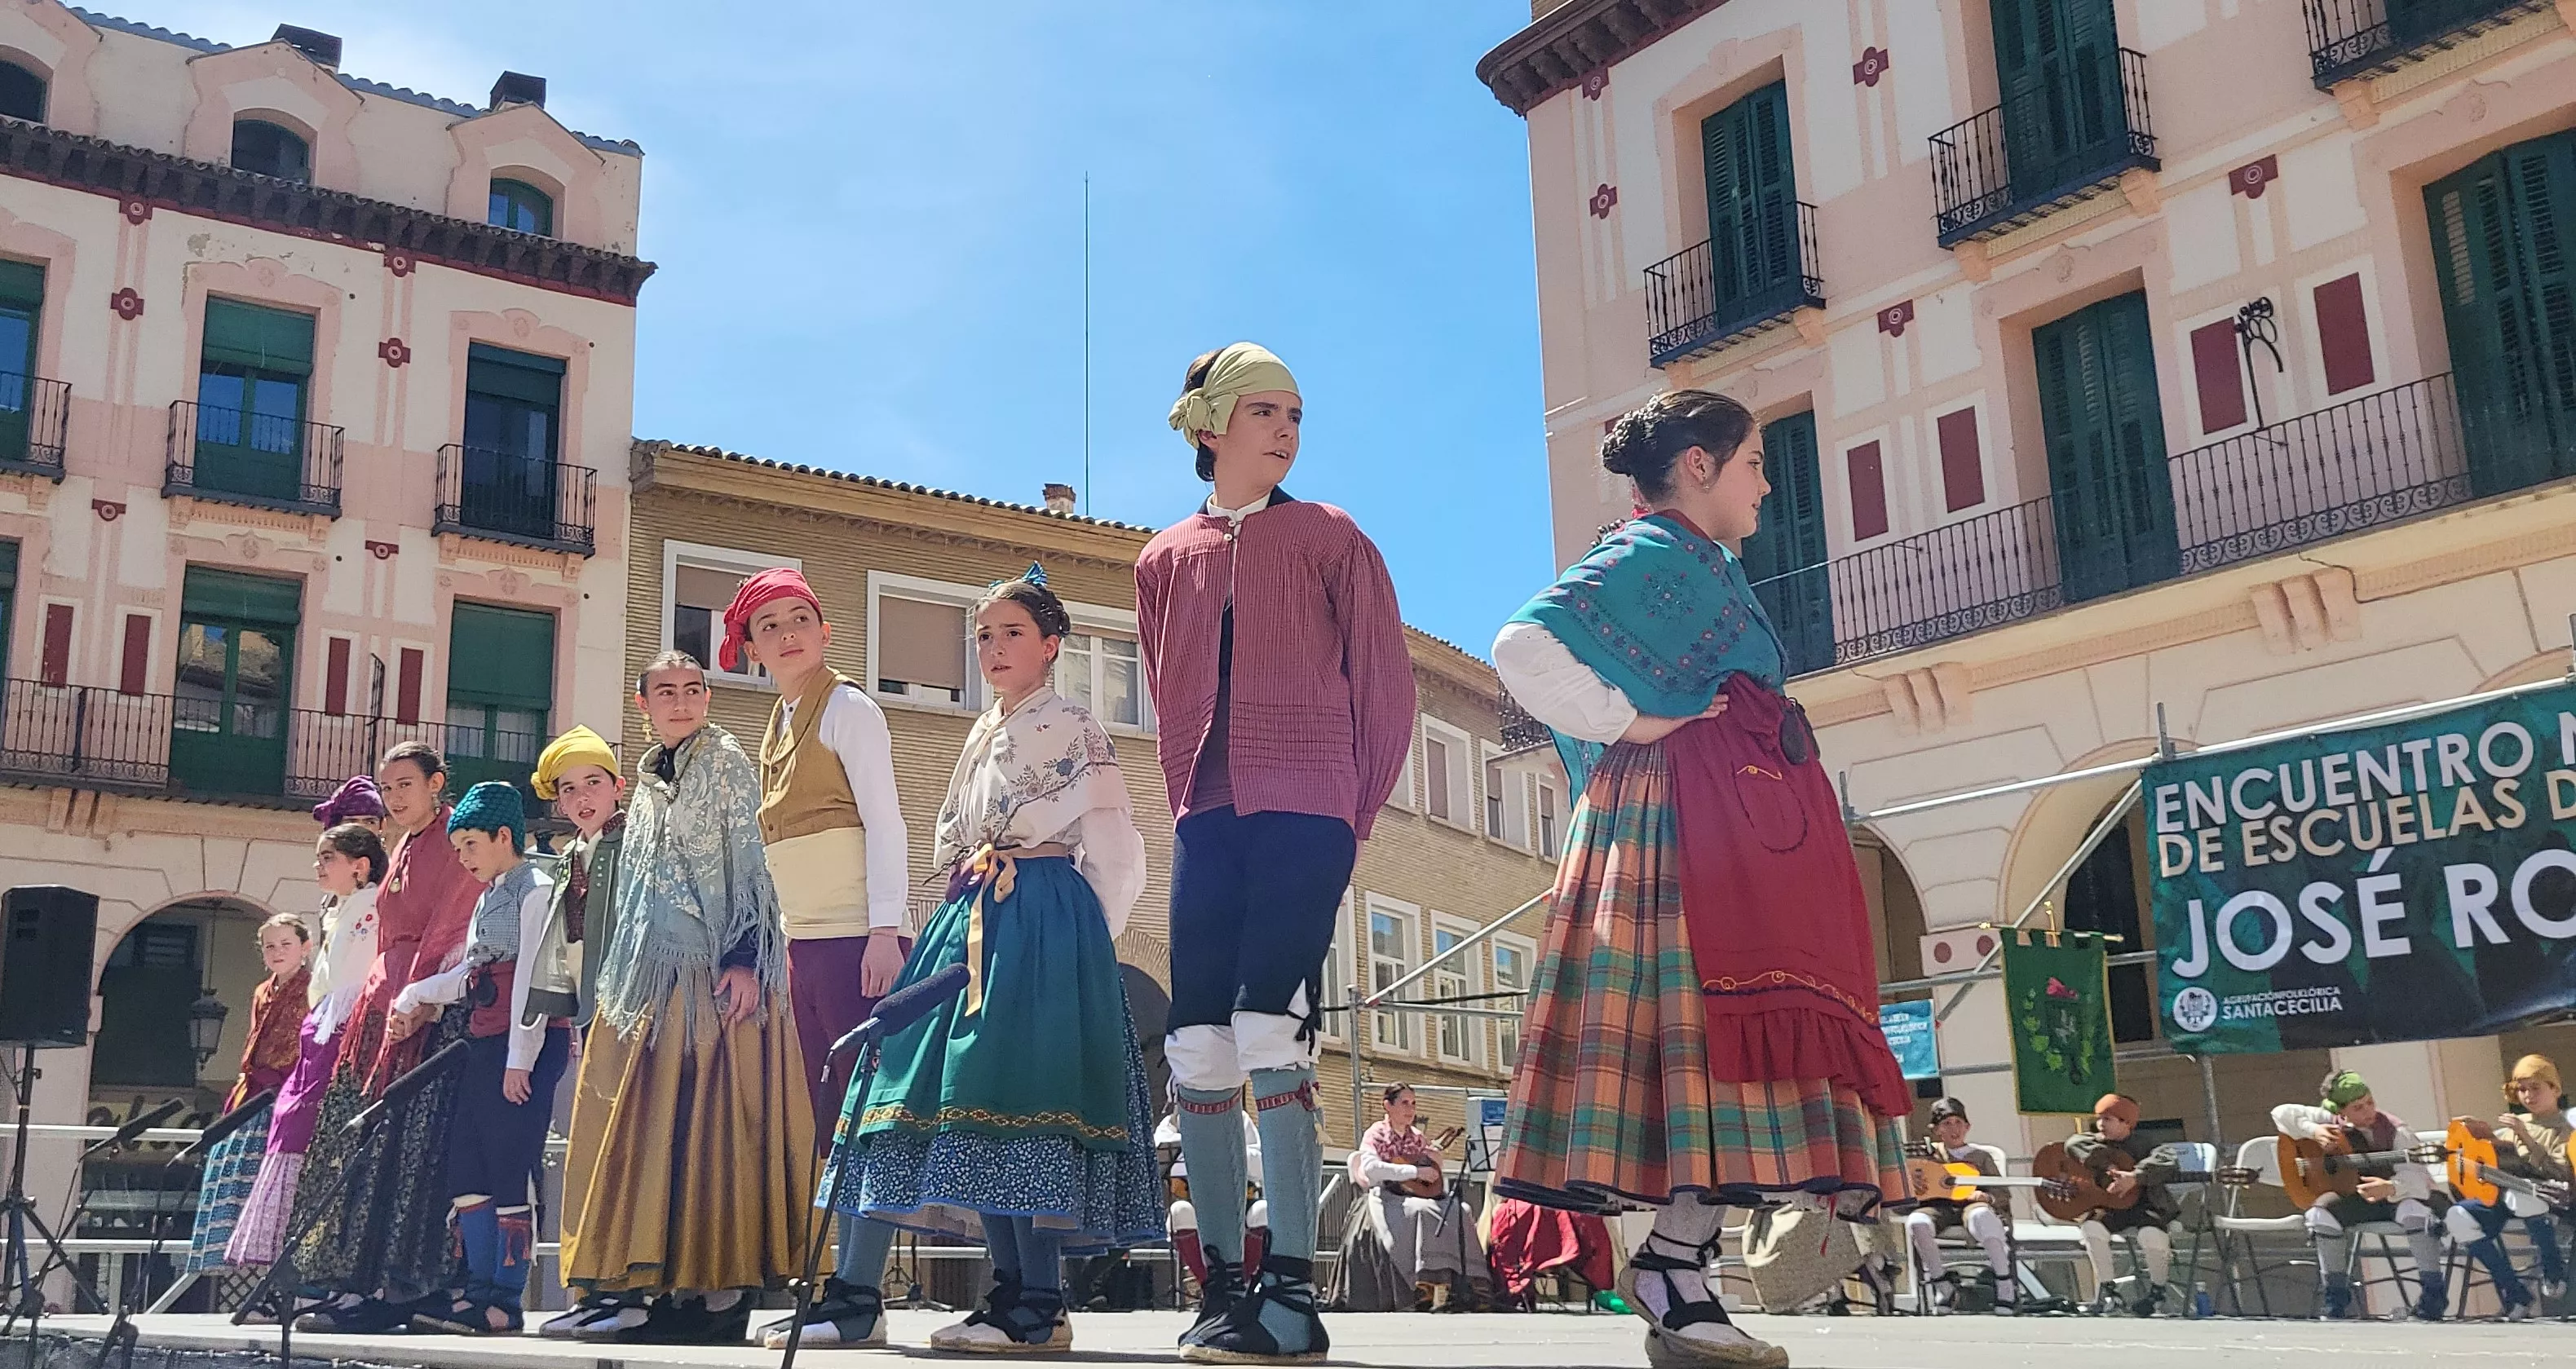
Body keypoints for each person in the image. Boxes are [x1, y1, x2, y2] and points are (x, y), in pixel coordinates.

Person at [1489, 390, 1911, 1368]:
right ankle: (1677, 1268)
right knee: (1705, 1038)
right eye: (1755, 462)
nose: (1768, 482)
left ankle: (1683, 1263)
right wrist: (1637, 722)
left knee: (1720, 1055)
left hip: (1729, 817)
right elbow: (1525, 644)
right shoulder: (1651, 555)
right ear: (1696, 466)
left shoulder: (1700, 563)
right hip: (1684, 820)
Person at [771, 569, 1160, 1354]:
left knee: (1022, 1089)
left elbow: (1117, 848)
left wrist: (1083, 942)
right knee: (965, 1095)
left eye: (1012, 631)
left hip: (1043, 912)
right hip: (975, 907)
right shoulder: (982, 731)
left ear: (1052, 644)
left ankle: (1039, 1297)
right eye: (983, 634)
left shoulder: (1076, 727)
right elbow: (955, 831)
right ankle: (1008, 1290)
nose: (993, 647)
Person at [1138, 342, 1416, 1363]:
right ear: (1210, 425)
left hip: (1308, 809)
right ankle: (1221, 1284)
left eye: (1296, 411)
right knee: (1195, 1043)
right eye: (1264, 409)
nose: (1288, 427)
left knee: (1270, 1026)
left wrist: (1353, 814)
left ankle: (1293, 1291)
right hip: (1204, 814)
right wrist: (1181, 795)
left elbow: (1385, 684)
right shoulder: (1164, 555)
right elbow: (1167, 679)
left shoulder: (1333, 536)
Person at [550, 680, 818, 1344]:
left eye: (693, 689)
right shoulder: (644, 786)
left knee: (717, 1127)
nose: (681, 701)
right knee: (653, 1128)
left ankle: (719, 1289)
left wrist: (743, 955)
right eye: (665, 691)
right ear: (643, 706)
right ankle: (659, 1284)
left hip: (713, 970)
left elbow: (754, 864)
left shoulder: (725, 763)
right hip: (648, 975)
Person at [722, 567, 913, 1298]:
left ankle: (860, 1287)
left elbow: (886, 821)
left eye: (799, 616)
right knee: (830, 1114)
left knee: (864, 1109)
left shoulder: (849, 708)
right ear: (752, 647)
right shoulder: (774, 724)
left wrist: (884, 930)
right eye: (768, 624)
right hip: (803, 948)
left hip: (852, 941)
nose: (787, 632)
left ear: (825, 631)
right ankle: (839, 1278)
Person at [287, 743, 485, 1333]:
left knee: (414, 1151)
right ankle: (363, 1278)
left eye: (406, 784)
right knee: (374, 1148)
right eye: (389, 787)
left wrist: (419, 1000)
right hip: (385, 1010)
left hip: (429, 1013)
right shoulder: (401, 848)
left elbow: (453, 927)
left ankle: (404, 1285)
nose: (396, 797)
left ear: (437, 783)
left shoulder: (454, 842)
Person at [393, 783, 574, 1333]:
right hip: (484, 1038)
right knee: (468, 1166)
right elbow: (473, 975)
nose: (464, 857)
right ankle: (476, 1287)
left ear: (503, 836)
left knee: (507, 1165)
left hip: (525, 1044)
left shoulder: (536, 889)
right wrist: (418, 991)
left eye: (471, 843)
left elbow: (533, 981)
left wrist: (520, 1058)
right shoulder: (490, 892)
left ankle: (504, 1296)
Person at [227, 820, 387, 1266]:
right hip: (320, 1039)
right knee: (294, 1133)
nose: (318, 865)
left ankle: (302, 1264)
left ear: (359, 866)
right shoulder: (341, 909)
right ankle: (282, 1267)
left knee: (312, 1138)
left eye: (327, 858)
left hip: (340, 1036)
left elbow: (354, 982)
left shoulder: (369, 909)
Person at [180, 914, 313, 1274]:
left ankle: (280, 1280)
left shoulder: (315, 987)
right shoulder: (261, 991)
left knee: (278, 1192)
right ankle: (245, 1270)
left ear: (305, 947)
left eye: (286, 944)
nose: (277, 952)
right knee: (237, 1177)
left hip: (290, 1093)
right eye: (270, 946)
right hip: (253, 1094)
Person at [2273, 1069, 2449, 1321]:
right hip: (2358, 1196)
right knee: (2320, 1214)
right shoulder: (2332, 1121)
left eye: (2370, 1103)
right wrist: (2313, 1132)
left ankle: (2433, 1296)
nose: (2368, 1112)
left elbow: (2416, 1178)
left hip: (2402, 1196)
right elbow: (2280, 1113)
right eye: (2358, 1108)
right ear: (2340, 1112)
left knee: (2415, 1211)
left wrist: (2390, 1187)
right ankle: (2335, 1299)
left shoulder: (2396, 1131)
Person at [1336, 1085, 1489, 1312]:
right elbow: (1371, 1169)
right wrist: (1414, 1172)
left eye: (1413, 1103)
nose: (1411, 1109)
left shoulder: (1417, 1137)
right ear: (1388, 1106)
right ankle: (1422, 1283)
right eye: (1404, 1103)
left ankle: (1470, 1284)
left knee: (1457, 1208)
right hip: (1385, 1195)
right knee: (1420, 1211)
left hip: (1415, 1194)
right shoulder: (1376, 1133)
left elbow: (1432, 1179)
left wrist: (1435, 1163)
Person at [2442, 1053, 2570, 1319]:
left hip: (2546, 1198)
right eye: (2522, 1090)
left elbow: (2560, 1173)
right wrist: (2473, 1134)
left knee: (2521, 1199)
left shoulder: (2565, 1127)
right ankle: (2515, 1293)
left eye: (2536, 1088)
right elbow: (2497, 1157)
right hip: (2502, 1197)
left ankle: (2553, 1271)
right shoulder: (2513, 1125)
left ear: (2555, 1089)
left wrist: (2525, 1136)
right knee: (2458, 1217)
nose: (2528, 1096)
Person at [2065, 1094, 2182, 1316]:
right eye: (2099, 1118)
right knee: (2091, 1229)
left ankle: (2158, 1292)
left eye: (2108, 1119)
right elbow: (2073, 1144)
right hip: (2109, 1207)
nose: (2100, 1124)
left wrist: (2135, 1177)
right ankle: (2109, 1291)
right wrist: (2109, 1165)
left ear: (2126, 1122)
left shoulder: (2147, 1144)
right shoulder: (2091, 1142)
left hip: (2145, 1205)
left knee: (2151, 1235)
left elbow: (2167, 1161)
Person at [1902, 1099, 2015, 1315]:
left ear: (1967, 1127)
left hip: (1972, 1206)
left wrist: (1986, 1197)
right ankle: (1942, 1285)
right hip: (1939, 1207)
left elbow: (2002, 1192)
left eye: (1958, 1122)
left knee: (1983, 1216)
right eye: (1946, 1124)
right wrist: (1914, 1182)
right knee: (1917, 1222)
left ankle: (2004, 1284)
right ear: (1936, 1130)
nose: (1954, 1129)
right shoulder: (1928, 1156)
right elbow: (1909, 1182)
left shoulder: (1981, 1157)